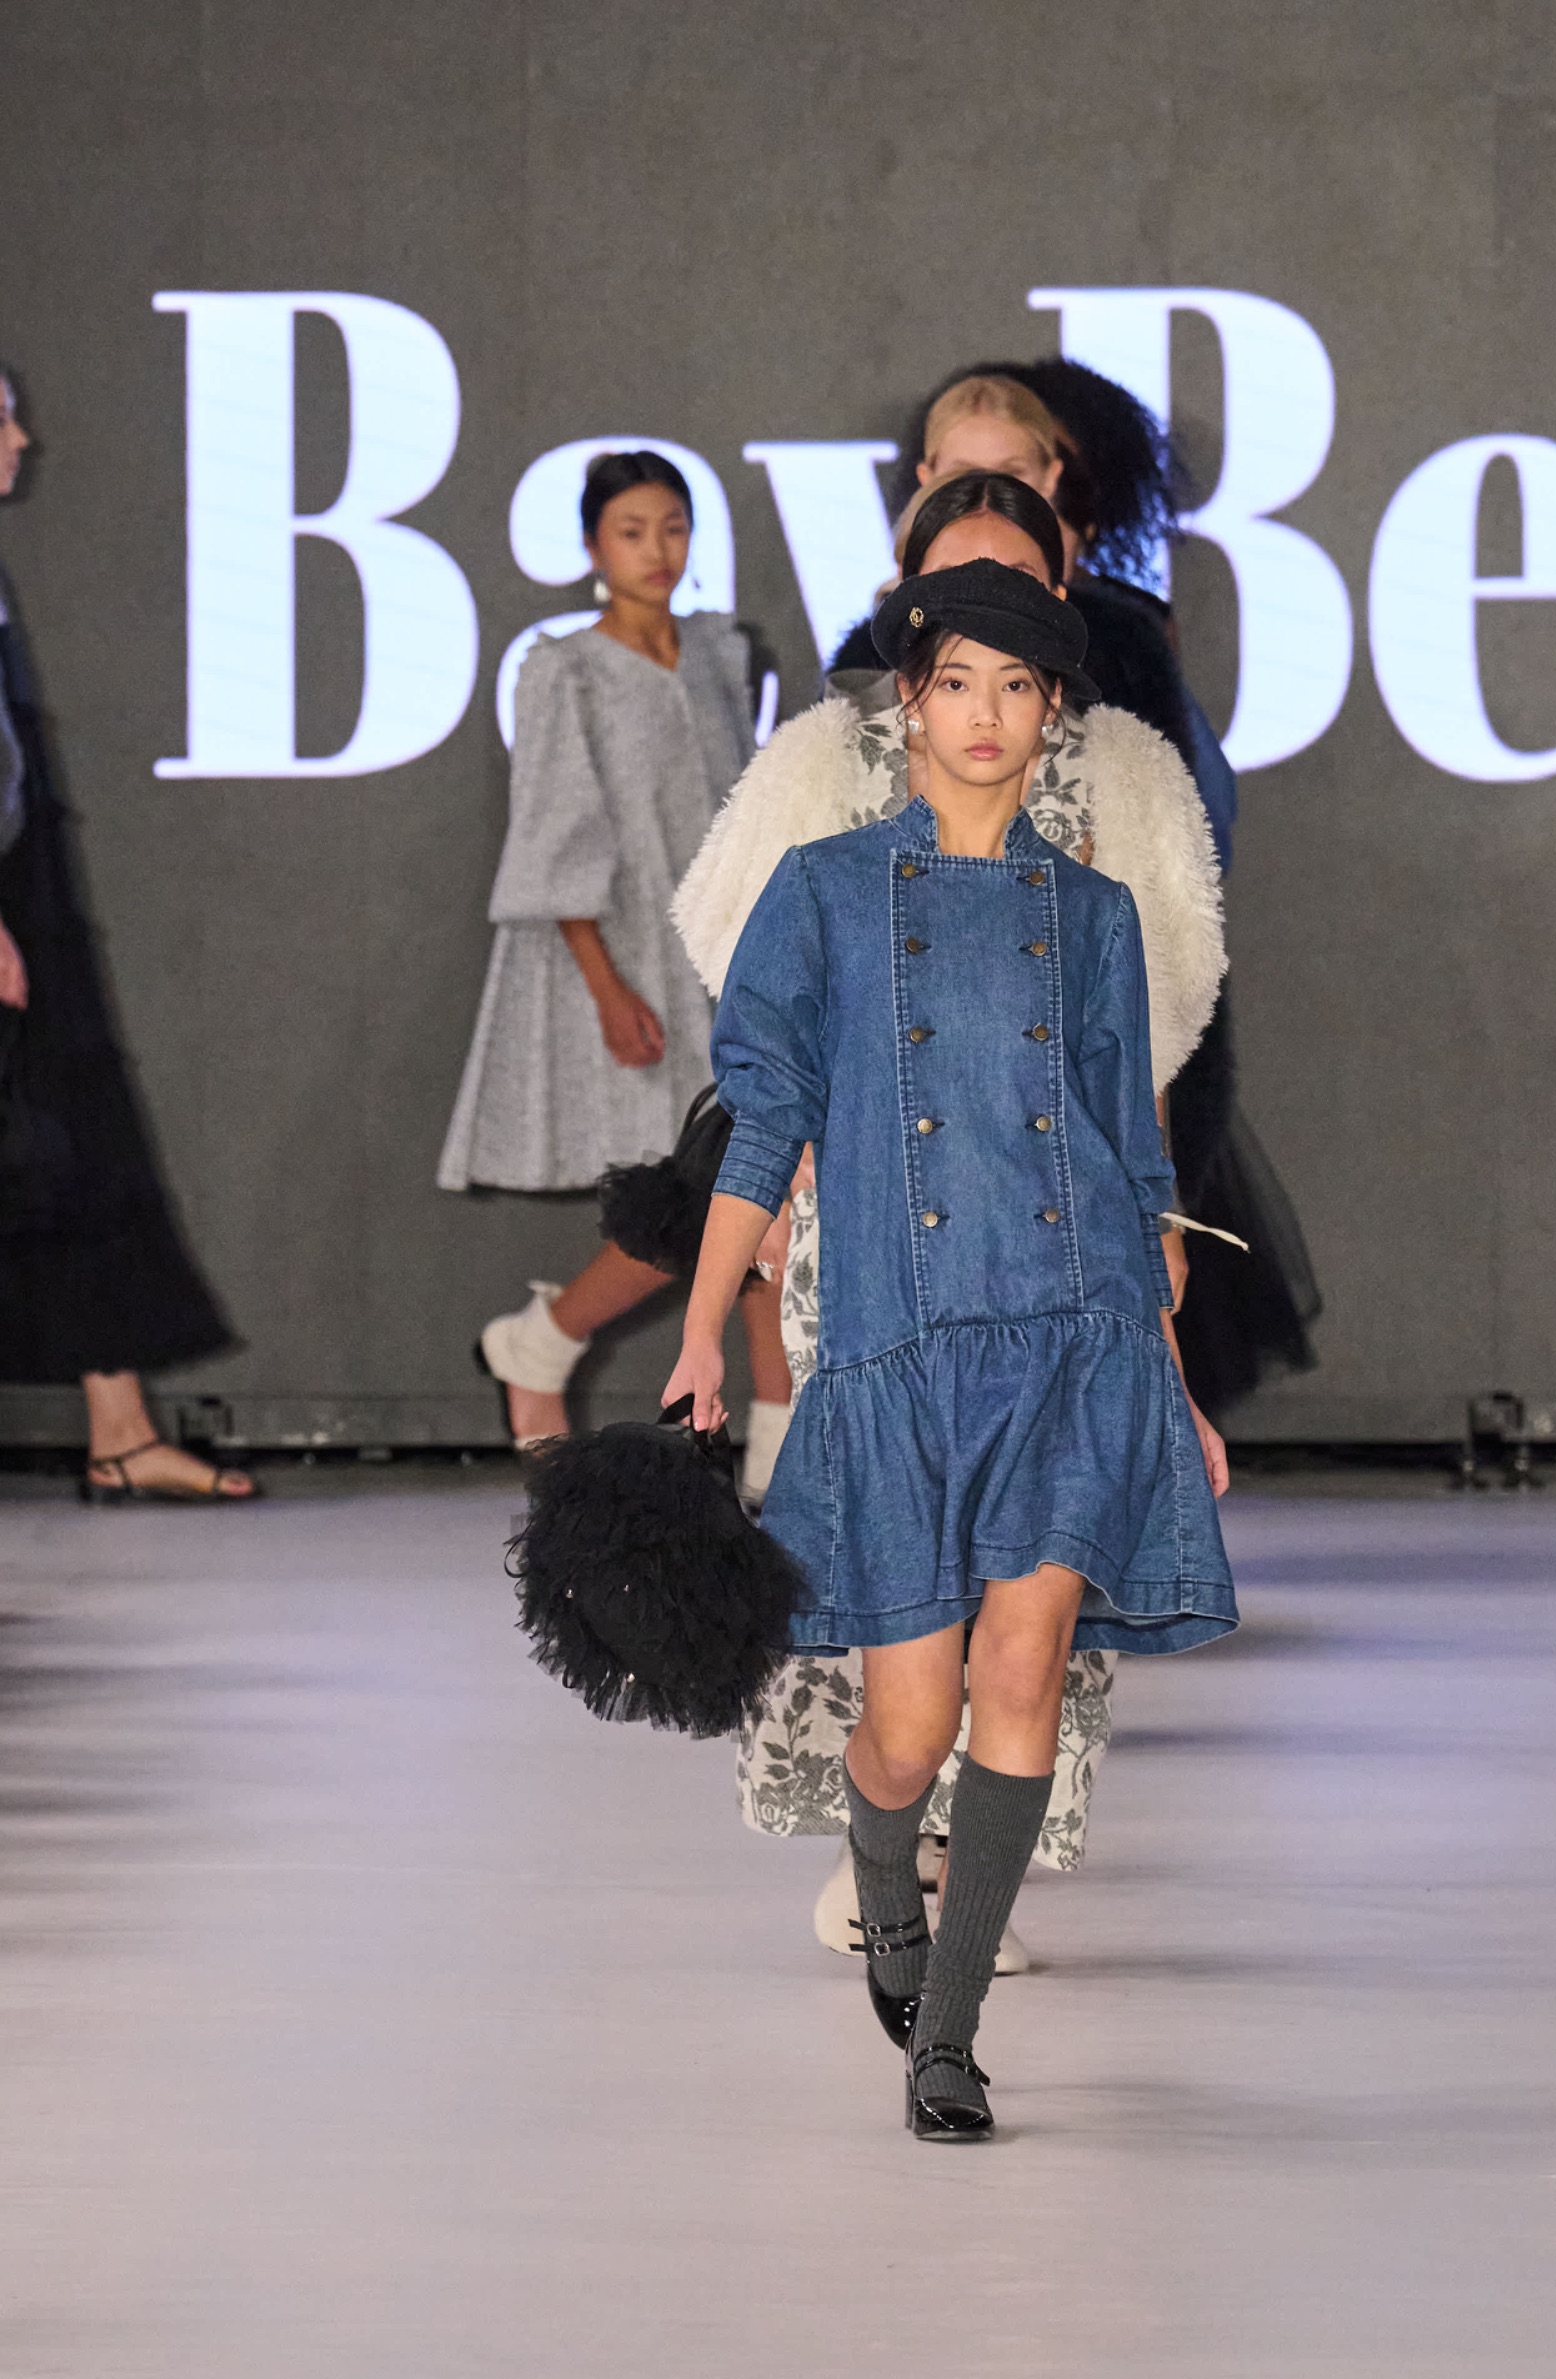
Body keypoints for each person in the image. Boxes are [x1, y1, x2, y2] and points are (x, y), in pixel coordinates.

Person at [666, 559, 1235, 2138]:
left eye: (1016, 686)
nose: (984, 716)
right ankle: (882, 1885)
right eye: (956, 683)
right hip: (898, 1353)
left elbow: (1131, 1163)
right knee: (904, 1725)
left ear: (1049, 712)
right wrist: (705, 1324)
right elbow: (762, 1118)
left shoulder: (1095, 915)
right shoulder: (827, 895)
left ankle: (952, 2039)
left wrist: (1169, 1399)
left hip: (1074, 1344)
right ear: (906, 699)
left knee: (1022, 1675)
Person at [853, 364, 1323, 1415]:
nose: (984, 506)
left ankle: (1108, 1513)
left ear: (1054, 480)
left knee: (1121, 1249)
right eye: (962, 480)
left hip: (1102, 994)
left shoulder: (1118, 634)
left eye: (1009, 475)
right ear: (923, 484)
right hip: (940, 1019)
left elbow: (1183, 819)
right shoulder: (876, 646)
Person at [438, 451, 788, 1469]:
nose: (656, 550)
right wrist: (605, 986)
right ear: (593, 545)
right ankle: (543, 1343)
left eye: (672, 527)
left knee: (761, 1185)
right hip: (635, 952)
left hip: (734, 953)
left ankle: (776, 1447)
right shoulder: (567, 669)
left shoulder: (721, 650)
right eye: (632, 530)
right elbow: (552, 830)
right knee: (702, 1191)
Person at [0, 361, 253, 1501]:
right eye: (4, 418)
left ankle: (118, 1426)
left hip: (24, 884)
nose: (23, 440)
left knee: (69, 1149)